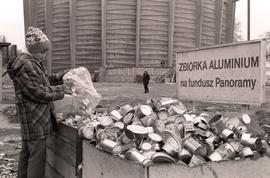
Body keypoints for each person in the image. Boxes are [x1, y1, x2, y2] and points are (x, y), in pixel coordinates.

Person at [7, 27, 70, 178]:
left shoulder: (31, 62)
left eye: (45, 52)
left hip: (31, 118)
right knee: (37, 158)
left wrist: (58, 77)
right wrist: (63, 90)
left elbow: (42, 80)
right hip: (35, 119)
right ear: (33, 49)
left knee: (26, 154)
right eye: (42, 52)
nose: (44, 55)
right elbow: (38, 92)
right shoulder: (27, 65)